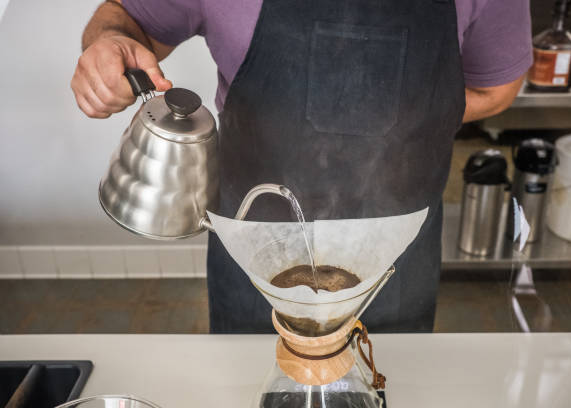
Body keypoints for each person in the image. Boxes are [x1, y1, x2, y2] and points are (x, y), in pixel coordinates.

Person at [72, 0, 532, 334]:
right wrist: (110, 40)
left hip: (394, 259)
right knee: (248, 387)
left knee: (387, 383)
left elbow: (496, 90)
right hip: (255, 245)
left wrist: (407, 113)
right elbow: (126, 19)